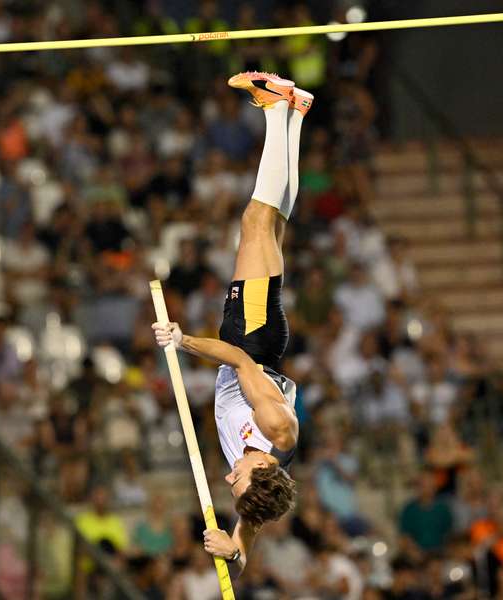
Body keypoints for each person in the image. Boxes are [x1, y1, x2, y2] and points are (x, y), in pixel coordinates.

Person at [152, 71, 313, 577]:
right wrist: (182, 341)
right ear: (263, 469)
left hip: (255, 339)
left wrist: (236, 553)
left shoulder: (263, 487)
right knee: (255, 222)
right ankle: (272, 109)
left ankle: (294, 111)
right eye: (239, 478)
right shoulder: (274, 429)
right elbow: (239, 359)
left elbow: (249, 528)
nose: (229, 476)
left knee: (274, 224)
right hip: (253, 334)